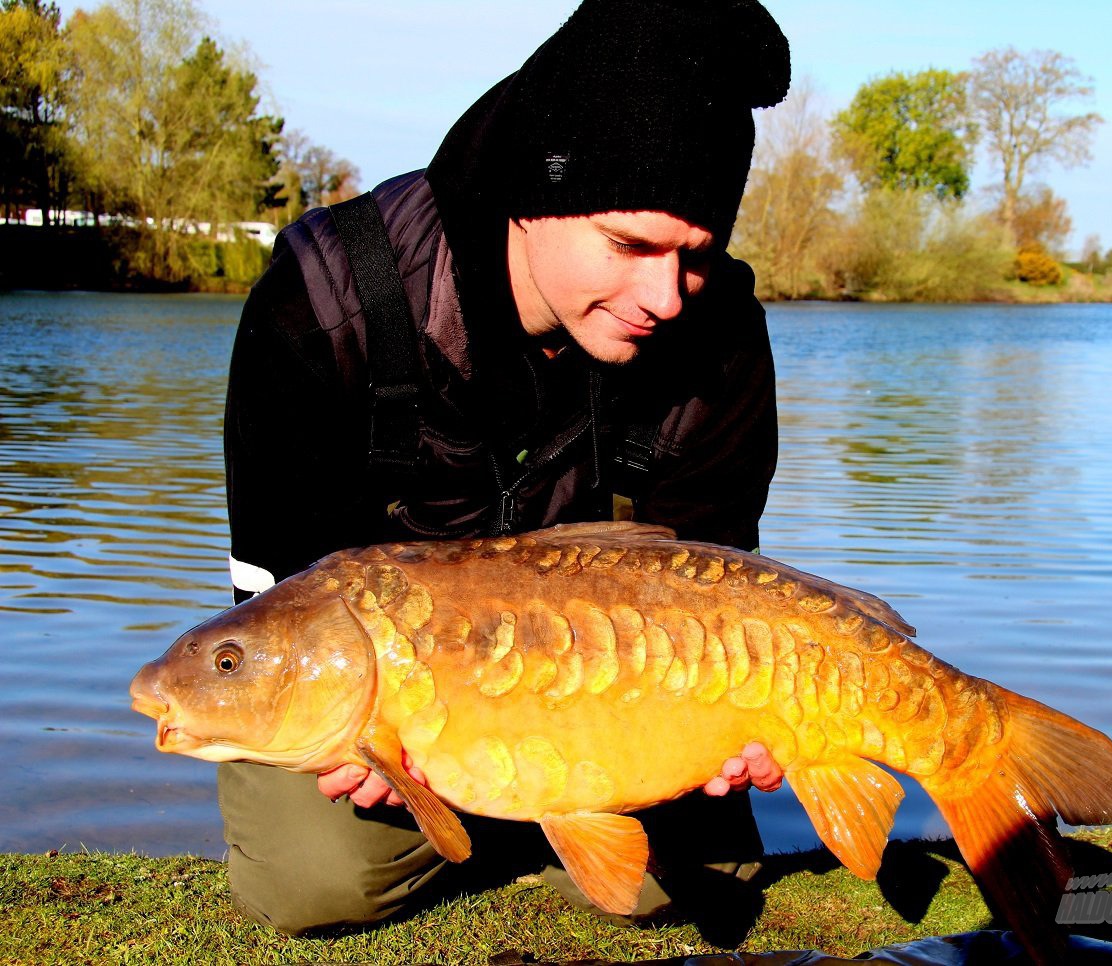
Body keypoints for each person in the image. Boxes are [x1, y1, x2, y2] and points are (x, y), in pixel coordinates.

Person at [219, 0, 792, 936]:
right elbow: (283, 595)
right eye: (630, 245)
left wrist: (730, 716)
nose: (664, 296)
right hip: (386, 683)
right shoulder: (323, 305)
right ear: (535, 194)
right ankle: (497, 816)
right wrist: (366, 734)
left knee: (686, 879)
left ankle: (533, 816)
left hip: (605, 686)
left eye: (695, 257)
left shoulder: (719, 336)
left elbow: (715, 575)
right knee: (314, 884)